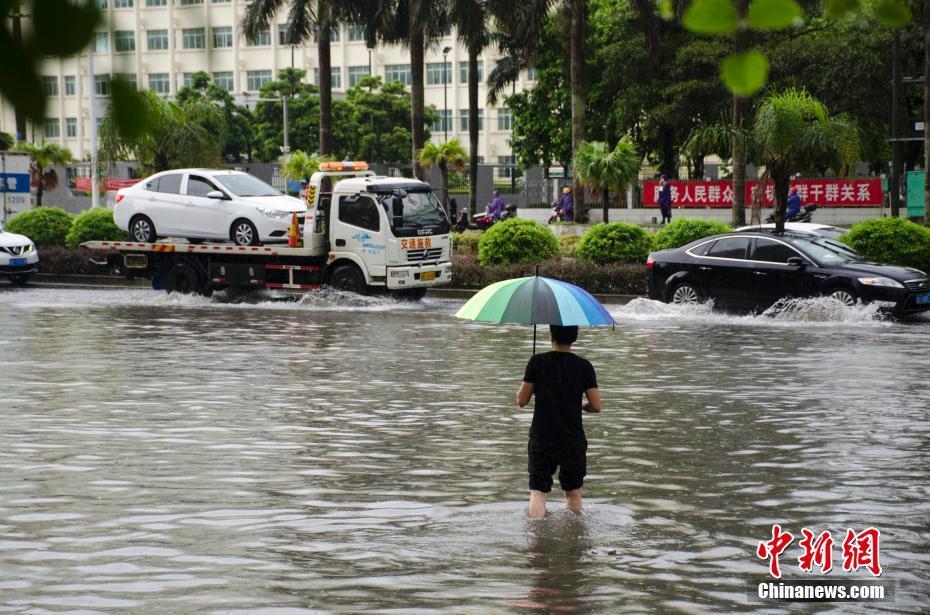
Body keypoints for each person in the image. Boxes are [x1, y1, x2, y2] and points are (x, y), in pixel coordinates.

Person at [516, 325, 602, 519]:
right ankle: (574, 541)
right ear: (575, 337)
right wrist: (580, 405)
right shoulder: (584, 366)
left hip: (542, 437)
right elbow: (596, 406)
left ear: (551, 334)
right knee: (573, 491)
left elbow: (521, 401)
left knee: (538, 492)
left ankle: (536, 542)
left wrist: (533, 377)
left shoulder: (537, 362)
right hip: (572, 439)